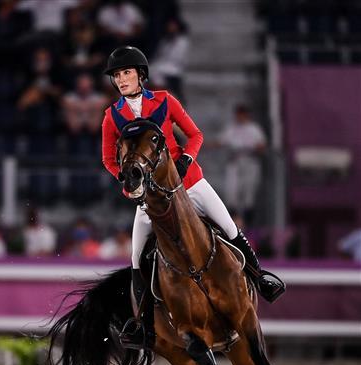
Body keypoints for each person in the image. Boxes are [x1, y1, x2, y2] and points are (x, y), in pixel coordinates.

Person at [101, 46, 285, 347]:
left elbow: (196, 134)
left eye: (127, 73)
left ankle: (261, 278)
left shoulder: (164, 101)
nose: (122, 80)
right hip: (152, 196)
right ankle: (143, 325)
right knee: (136, 257)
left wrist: (186, 158)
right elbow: (109, 159)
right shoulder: (112, 117)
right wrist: (127, 179)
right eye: (118, 75)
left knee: (228, 227)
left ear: (140, 75)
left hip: (190, 183)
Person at [218, 104, 266, 227]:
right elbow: (220, 142)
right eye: (238, 114)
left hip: (250, 162)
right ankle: (234, 224)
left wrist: (249, 147)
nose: (239, 117)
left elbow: (262, 147)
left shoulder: (254, 129)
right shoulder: (231, 128)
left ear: (246, 115)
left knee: (248, 196)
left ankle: (248, 225)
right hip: (234, 162)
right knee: (231, 194)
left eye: (242, 114)